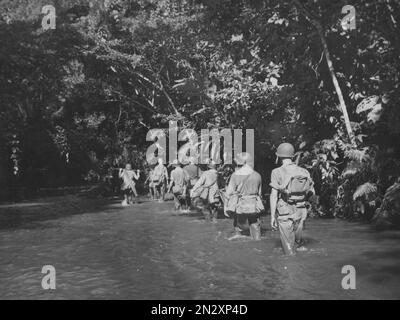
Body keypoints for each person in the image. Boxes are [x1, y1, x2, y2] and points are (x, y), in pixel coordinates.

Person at [270, 143, 315, 255]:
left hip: (285, 210)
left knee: (288, 249)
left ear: (279, 156)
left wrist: (272, 216)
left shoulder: (276, 172)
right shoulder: (304, 172)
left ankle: (291, 267)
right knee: (298, 244)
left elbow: (274, 195)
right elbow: (312, 193)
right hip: (301, 211)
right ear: (292, 156)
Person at [226, 152, 263, 240]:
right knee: (254, 223)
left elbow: (229, 193)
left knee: (238, 224)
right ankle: (256, 239)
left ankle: (238, 235)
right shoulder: (258, 175)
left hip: (240, 205)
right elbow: (260, 194)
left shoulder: (235, 175)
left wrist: (226, 206)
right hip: (253, 204)